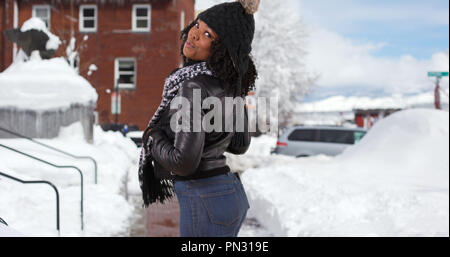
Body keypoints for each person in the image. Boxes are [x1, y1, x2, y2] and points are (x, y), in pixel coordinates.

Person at [138, 0, 260, 237]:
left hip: (204, 196)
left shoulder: (193, 86)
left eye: (207, 34)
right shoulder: (230, 84)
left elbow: (184, 163)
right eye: (197, 25)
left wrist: (152, 137)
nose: (193, 35)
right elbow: (239, 144)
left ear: (221, 49)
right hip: (229, 193)